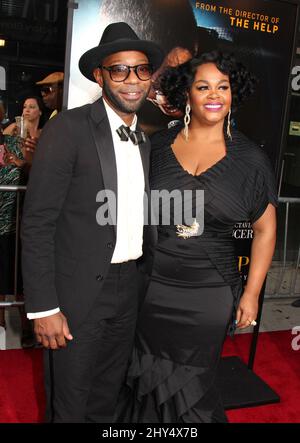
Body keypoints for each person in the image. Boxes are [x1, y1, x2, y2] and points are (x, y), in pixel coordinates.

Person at [117, 51, 278, 423]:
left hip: (210, 291)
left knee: (194, 386)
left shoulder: (251, 159)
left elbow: (266, 229)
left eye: (223, 86)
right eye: (202, 86)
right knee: (142, 379)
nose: (214, 94)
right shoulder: (156, 148)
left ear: (233, 93)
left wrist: (251, 294)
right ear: (186, 93)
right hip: (151, 286)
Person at [21, 22, 163, 422]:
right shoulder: (67, 129)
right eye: (119, 69)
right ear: (100, 75)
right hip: (75, 294)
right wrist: (43, 307)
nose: (132, 81)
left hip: (128, 288)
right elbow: (37, 224)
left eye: (141, 70)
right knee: (69, 404)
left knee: (107, 397)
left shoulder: (146, 140)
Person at [0, 96, 45, 347]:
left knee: (21, 272)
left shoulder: (45, 136)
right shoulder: (11, 137)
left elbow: (40, 170)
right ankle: (3, 327)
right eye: (24, 106)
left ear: (40, 111)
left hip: (26, 212)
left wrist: (23, 163)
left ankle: (28, 327)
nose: (26, 110)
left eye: (31, 107)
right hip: (5, 210)